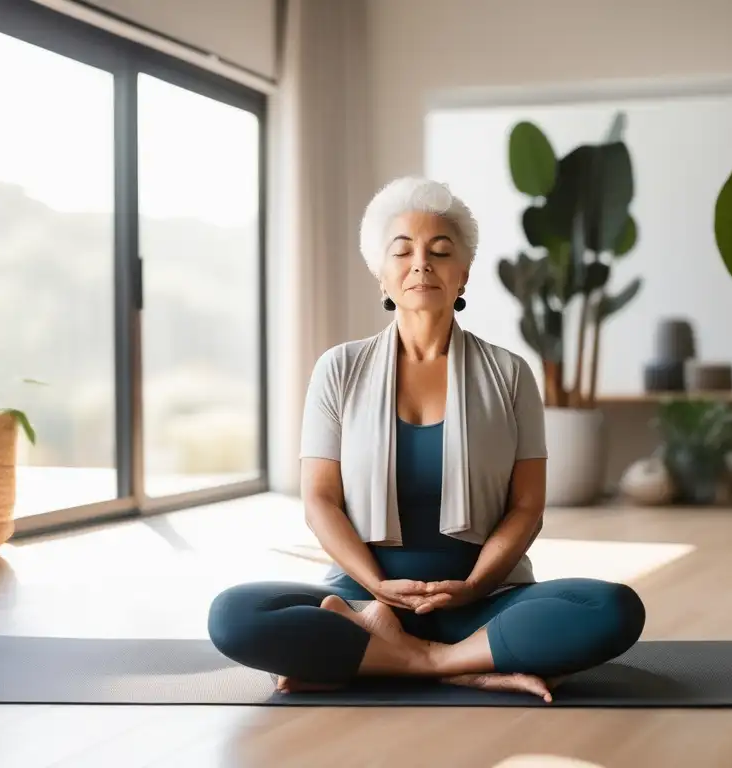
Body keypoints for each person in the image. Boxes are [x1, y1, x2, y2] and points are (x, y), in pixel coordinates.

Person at [207, 177, 646, 702]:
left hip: (483, 600)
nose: (422, 263)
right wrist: (375, 587)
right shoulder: (339, 369)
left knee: (613, 609)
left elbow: (527, 507)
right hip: (361, 602)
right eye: (403, 251)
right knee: (234, 616)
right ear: (382, 276)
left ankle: (402, 659)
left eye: (440, 251)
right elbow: (320, 500)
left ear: (463, 275)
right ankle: (462, 663)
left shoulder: (510, 373)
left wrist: (476, 587)